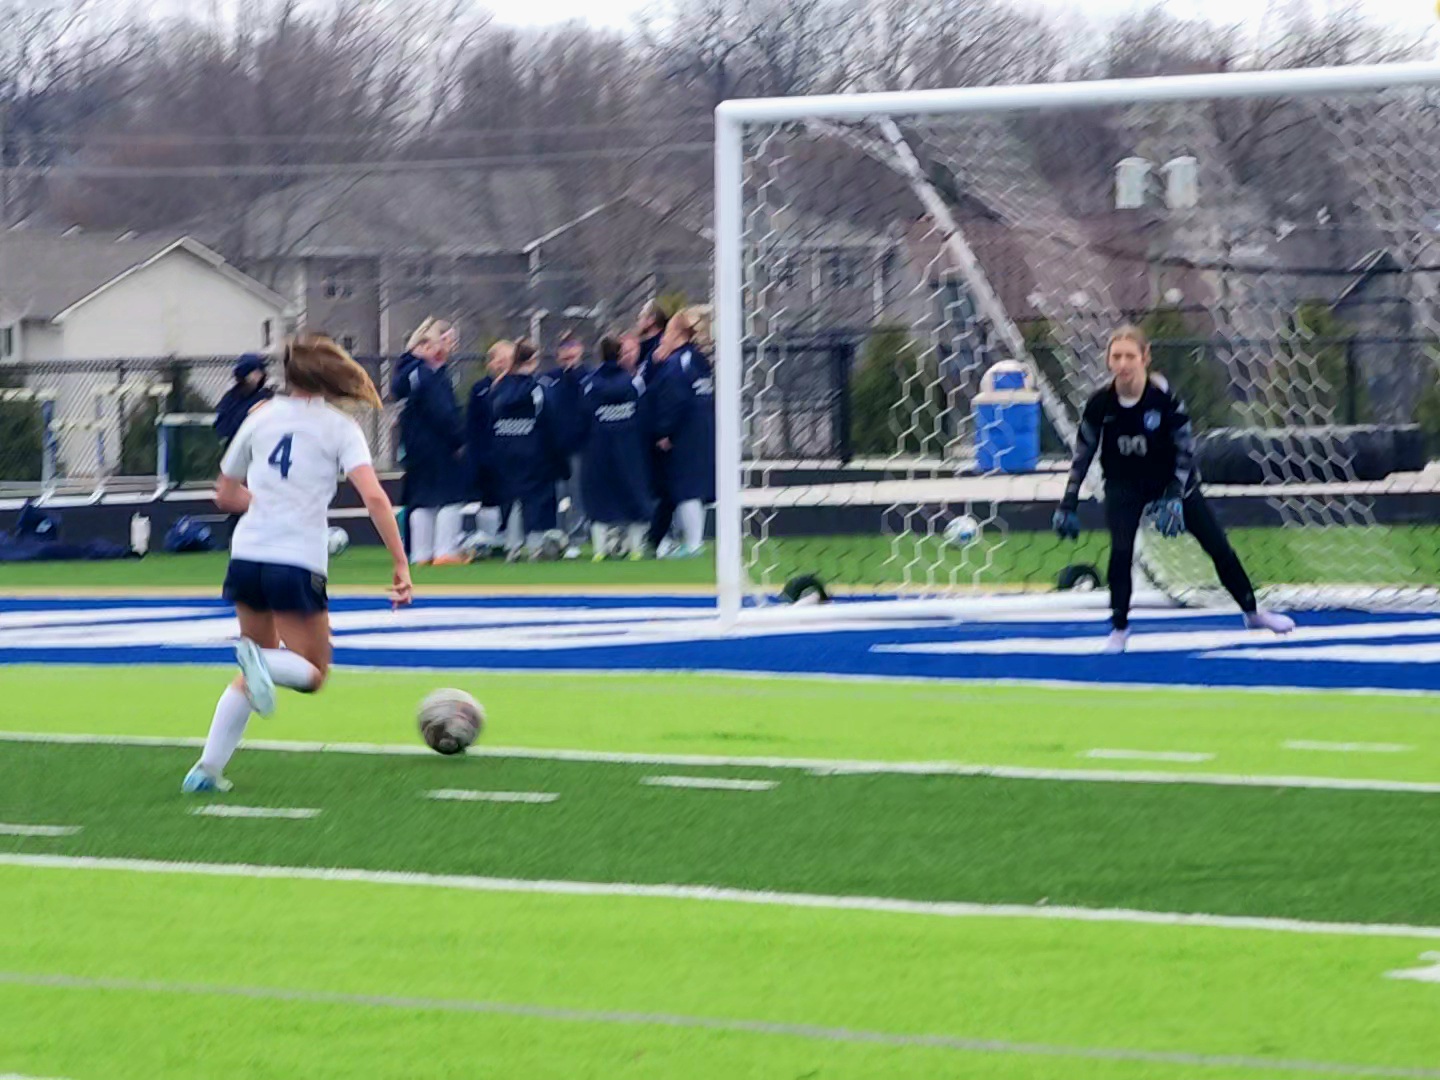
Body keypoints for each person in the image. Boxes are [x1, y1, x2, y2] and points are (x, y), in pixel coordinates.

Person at [183, 334, 411, 794]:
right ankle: (258, 670)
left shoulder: (259, 416)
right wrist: (401, 563)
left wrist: (266, 505)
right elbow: (373, 496)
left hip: (247, 554)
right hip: (295, 559)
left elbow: (225, 494)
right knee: (311, 673)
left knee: (255, 670)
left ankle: (205, 772)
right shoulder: (340, 427)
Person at [1053, 324, 1296, 653]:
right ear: (1109, 361)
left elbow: (1185, 451)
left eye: (1130, 356)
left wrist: (1173, 496)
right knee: (1121, 552)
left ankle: (1252, 612)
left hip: (1172, 482)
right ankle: (1119, 629)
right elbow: (1083, 454)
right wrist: (1067, 503)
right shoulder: (1100, 404)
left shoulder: (1163, 401)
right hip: (1124, 485)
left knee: (1217, 545)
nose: (1123, 364)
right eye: (1116, 357)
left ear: (1145, 358)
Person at [392, 318, 467, 566]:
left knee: (421, 498)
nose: (451, 347)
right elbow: (442, 412)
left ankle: (421, 553)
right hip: (437, 445)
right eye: (448, 341)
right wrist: (458, 439)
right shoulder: (428, 375)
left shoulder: (407, 372)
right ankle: (445, 550)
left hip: (415, 446)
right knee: (449, 497)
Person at [490, 339, 567, 560]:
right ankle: (535, 545)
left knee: (512, 499)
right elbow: (549, 419)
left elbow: (492, 419)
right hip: (534, 451)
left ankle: (512, 545)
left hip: (505, 451)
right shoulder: (538, 388)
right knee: (536, 499)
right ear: (532, 361)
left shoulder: (499, 387)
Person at [647, 306, 715, 557]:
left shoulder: (678, 362)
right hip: (703, 427)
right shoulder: (698, 359)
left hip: (686, 432)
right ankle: (694, 541)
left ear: (676, 334)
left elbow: (673, 398)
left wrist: (664, 431)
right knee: (694, 487)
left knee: (685, 487)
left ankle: (693, 544)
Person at [580, 334, 653, 560]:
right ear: (620, 354)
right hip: (629, 449)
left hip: (597, 450)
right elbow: (644, 414)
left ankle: (600, 550)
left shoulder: (589, 383)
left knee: (599, 497)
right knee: (633, 494)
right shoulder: (634, 383)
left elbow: (582, 416)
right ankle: (636, 549)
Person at [464, 340, 510, 555]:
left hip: (512, 452)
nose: (501, 365)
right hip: (485, 452)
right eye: (497, 360)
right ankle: (488, 540)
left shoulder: (518, 387)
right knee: (488, 497)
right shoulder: (480, 389)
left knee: (510, 496)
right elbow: (472, 423)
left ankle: (509, 538)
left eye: (506, 360)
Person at [548, 333, 591, 558]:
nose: (568, 354)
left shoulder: (588, 376)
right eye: (564, 349)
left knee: (577, 495)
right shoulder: (550, 378)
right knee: (555, 494)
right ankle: (555, 537)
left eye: (572, 348)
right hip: (555, 448)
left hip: (578, 447)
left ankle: (576, 538)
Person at [214, 355, 273, 446]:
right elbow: (222, 427)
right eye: (257, 372)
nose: (261, 375)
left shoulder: (265, 396)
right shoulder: (231, 397)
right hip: (236, 445)